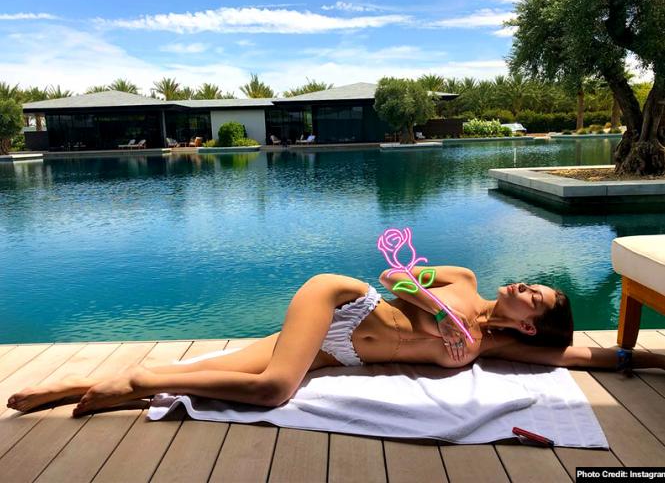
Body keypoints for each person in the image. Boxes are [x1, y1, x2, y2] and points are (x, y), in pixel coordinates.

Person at [7, 267, 664, 417]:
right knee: (272, 390)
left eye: (535, 299)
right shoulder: (464, 283)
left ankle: (88, 388)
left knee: (222, 369)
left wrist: (651, 357)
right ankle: (146, 381)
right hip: (338, 301)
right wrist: (439, 310)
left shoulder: (492, 346)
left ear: (527, 327)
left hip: (336, 351)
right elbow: (393, 275)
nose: (524, 286)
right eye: (532, 284)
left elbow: (575, 354)